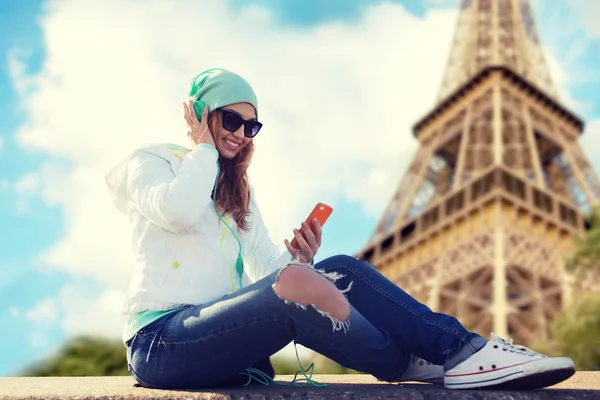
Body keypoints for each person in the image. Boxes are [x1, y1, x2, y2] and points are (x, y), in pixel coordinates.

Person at [105, 68, 575, 391]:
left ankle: (458, 349)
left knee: (336, 268)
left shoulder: (236, 193)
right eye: (231, 120)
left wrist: (302, 262)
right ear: (202, 113)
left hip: (219, 336)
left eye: (252, 126)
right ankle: (415, 357)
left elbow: (269, 270)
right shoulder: (152, 162)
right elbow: (178, 211)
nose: (241, 134)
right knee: (299, 285)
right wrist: (203, 149)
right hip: (160, 342)